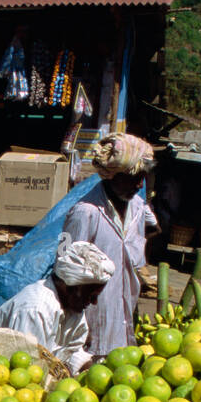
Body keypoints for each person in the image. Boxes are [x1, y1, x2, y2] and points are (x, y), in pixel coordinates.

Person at [62, 133, 158, 359]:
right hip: (94, 321)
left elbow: (153, 227)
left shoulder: (137, 205)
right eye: (134, 177)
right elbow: (65, 271)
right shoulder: (85, 212)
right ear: (111, 175)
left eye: (143, 177)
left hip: (126, 312)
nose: (140, 184)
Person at [0, 239, 115, 371]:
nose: (94, 302)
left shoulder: (73, 307)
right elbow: (28, 365)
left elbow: (68, 352)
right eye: (92, 296)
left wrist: (90, 365)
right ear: (70, 287)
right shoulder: (36, 309)